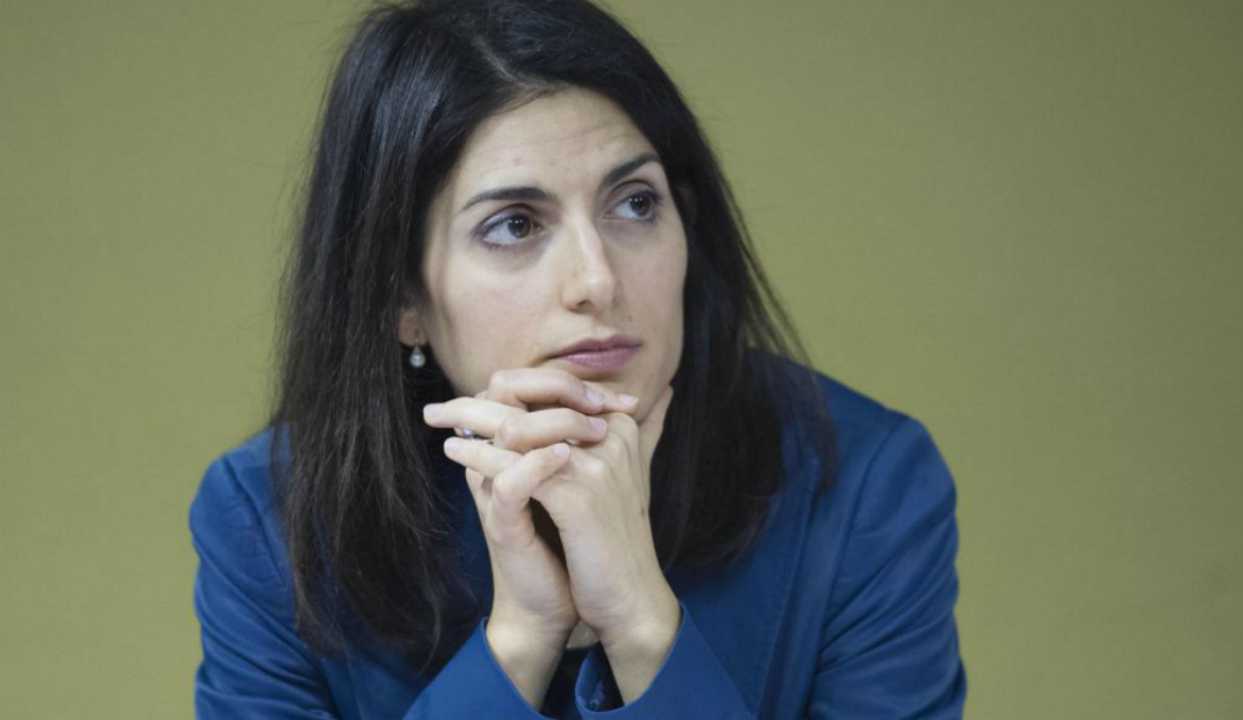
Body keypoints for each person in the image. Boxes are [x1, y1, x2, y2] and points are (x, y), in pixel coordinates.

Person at [188, 0, 967, 717]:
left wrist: (640, 622)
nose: (597, 280)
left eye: (635, 203)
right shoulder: (267, 523)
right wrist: (521, 638)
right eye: (515, 225)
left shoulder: (865, 486)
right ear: (402, 298)